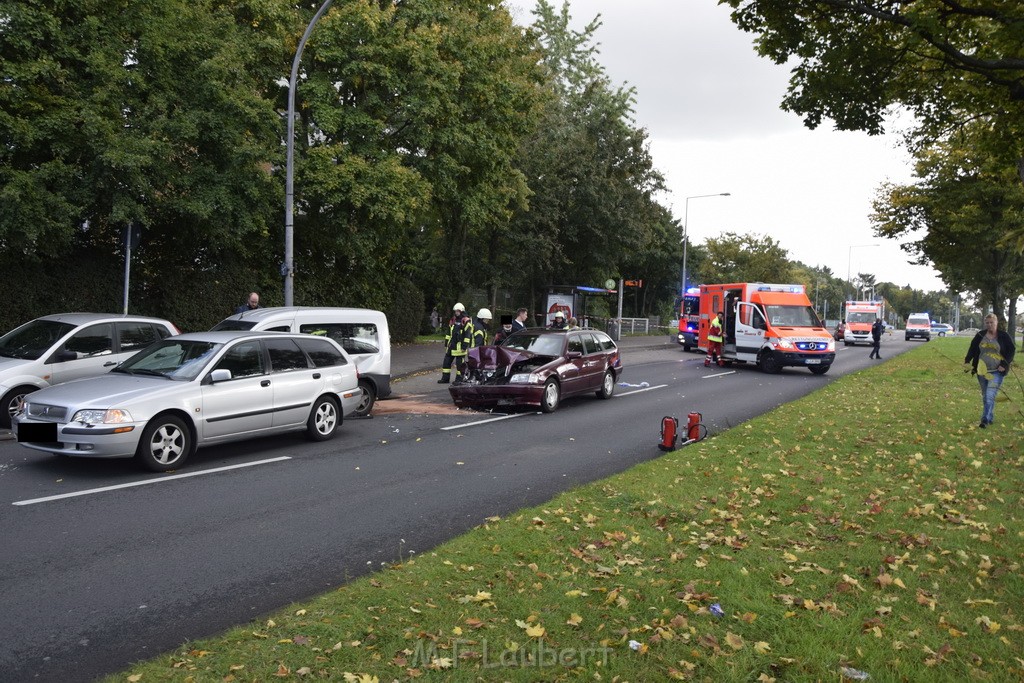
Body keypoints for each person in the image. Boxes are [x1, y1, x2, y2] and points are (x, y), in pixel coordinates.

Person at [963, 313, 1015, 428]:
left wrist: (1004, 364)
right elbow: (972, 349)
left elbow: (1011, 350)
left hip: (997, 371)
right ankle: (990, 417)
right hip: (982, 371)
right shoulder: (980, 335)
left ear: (996, 323)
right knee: (986, 395)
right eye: (987, 323)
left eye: (992, 322)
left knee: (989, 395)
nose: (989, 325)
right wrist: (967, 361)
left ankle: (984, 420)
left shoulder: (1003, 336)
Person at [438, 303, 473, 384]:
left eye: (458, 311)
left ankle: (459, 379)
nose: (456, 312)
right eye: (455, 311)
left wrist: (464, 346)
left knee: (460, 365)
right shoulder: (453, 320)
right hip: (451, 346)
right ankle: (445, 378)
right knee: (446, 362)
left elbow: (468, 335)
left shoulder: (466, 321)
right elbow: (448, 332)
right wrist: (446, 343)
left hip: (460, 347)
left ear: (461, 311)